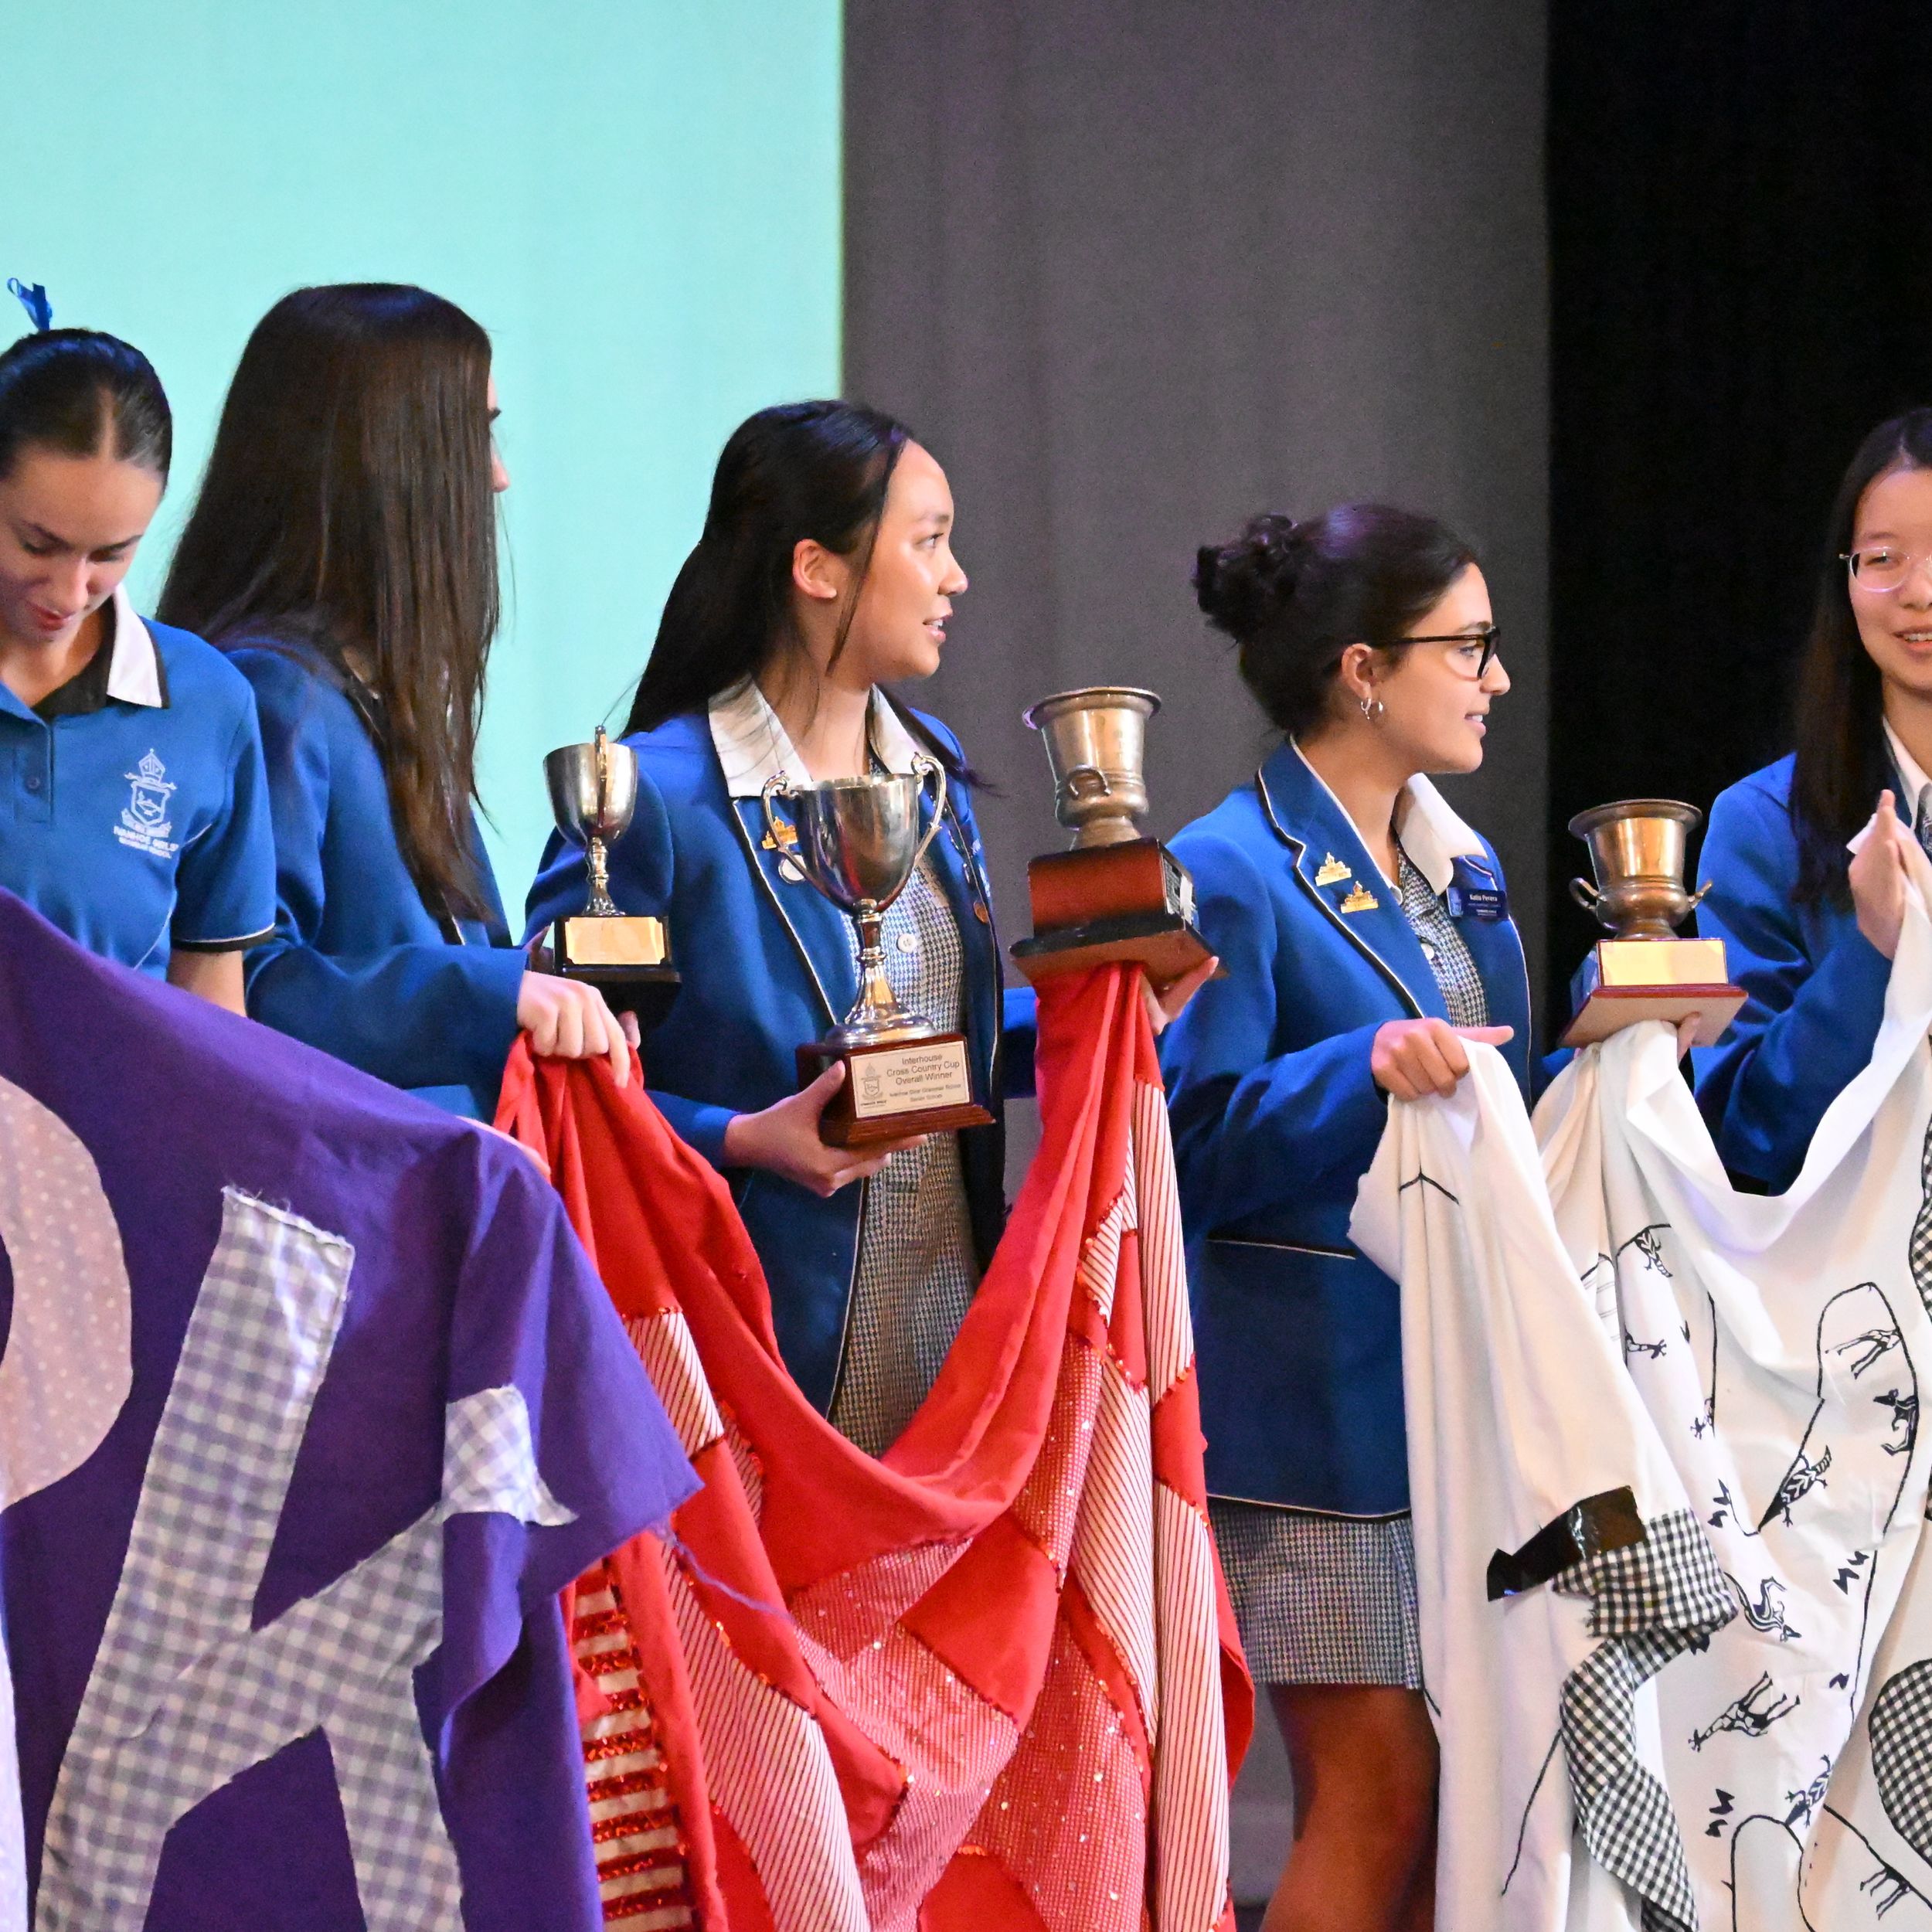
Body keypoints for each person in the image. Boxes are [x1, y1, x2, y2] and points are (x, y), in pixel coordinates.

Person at [526, 400, 1211, 1451]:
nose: (956, 577)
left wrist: (1103, 1017)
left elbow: (923, 1040)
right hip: (742, 1358)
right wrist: (740, 1138)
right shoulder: (655, 791)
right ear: (817, 568)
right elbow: (556, 1092)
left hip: (949, 1341)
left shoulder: (930, 765)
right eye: (929, 542)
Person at [1158, 506, 1526, 1932]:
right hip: (1311, 1413)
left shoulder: (1458, 865)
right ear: (1364, 669)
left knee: (1459, 1807)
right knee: (1379, 1791)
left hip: (1455, 1394)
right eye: (1469, 647)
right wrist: (1355, 1067)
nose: (1496, 678)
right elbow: (1184, 1146)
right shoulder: (1229, 866)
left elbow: (1486, 1089)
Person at [158, 283, 630, 1119]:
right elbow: (247, 983)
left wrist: (548, 1002)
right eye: (474, 436)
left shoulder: (369, 690)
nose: (499, 477)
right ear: (386, 462)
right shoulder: (275, 692)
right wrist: (493, 993)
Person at [0, 314, 274, 1009]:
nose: (70, 593)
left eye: (110, 555)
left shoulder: (208, 704)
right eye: (37, 545)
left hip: (109, 1087)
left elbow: (211, 1003)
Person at [1695, 408, 1932, 1191]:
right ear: (1847, 580)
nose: (1919, 593)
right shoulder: (1763, 824)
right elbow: (1748, 1134)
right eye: (1883, 558)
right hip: (1853, 1262)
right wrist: (1872, 949)